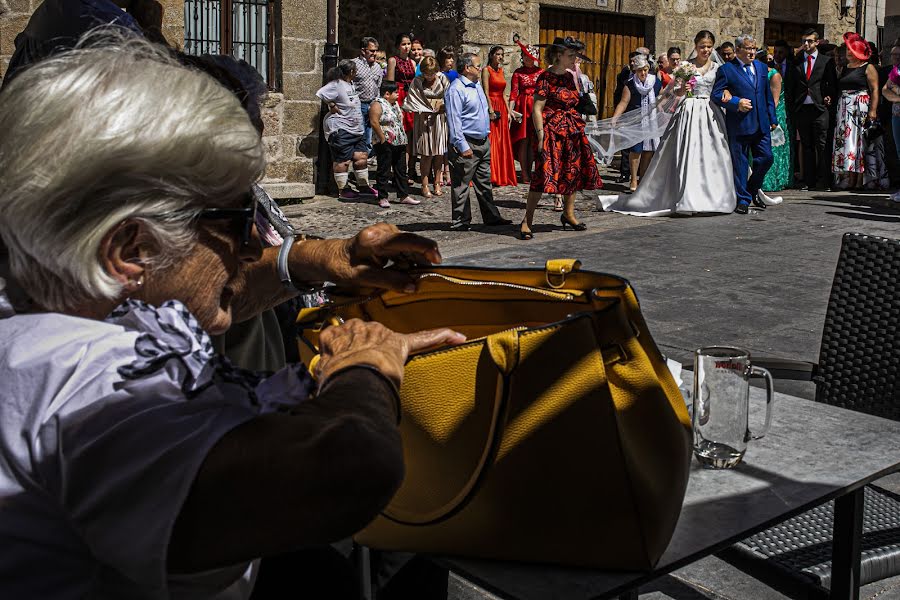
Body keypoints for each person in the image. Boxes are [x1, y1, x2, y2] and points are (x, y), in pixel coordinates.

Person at [0, 36, 468, 598]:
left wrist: (323, 258)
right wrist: (365, 366)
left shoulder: (65, 302)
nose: (254, 243)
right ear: (128, 249)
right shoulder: (86, 380)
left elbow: (202, 293)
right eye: (236, 220)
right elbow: (344, 472)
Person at [597, 31, 736, 216]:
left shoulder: (718, 68)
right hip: (689, 111)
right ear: (695, 46)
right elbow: (673, 93)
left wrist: (727, 93)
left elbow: (722, 89)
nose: (706, 50)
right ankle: (685, 196)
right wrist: (682, 89)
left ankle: (712, 196)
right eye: (702, 46)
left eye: (709, 46)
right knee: (687, 152)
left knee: (712, 154)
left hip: (710, 112)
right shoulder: (686, 66)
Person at [519, 36, 603, 240]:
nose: (575, 59)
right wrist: (540, 137)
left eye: (575, 55)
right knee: (542, 176)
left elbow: (572, 101)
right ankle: (527, 220)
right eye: (571, 55)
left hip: (571, 131)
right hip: (551, 132)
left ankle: (569, 213)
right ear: (558, 56)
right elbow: (537, 110)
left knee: (571, 173)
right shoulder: (545, 78)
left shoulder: (568, 76)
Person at [445, 52, 512, 231]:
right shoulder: (456, 89)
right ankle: (461, 220)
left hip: (482, 141)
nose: (480, 68)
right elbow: (454, 120)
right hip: (467, 142)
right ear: (467, 68)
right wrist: (461, 145)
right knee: (461, 184)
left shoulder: (476, 86)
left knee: (484, 183)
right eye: (477, 65)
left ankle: (491, 217)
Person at [712, 33, 777, 214]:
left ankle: (751, 190)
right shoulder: (726, 70)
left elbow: (767, 95)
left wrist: (772, 118)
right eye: (748, 48)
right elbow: (716, 95)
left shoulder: (762, 68)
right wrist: (735, 103)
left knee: (766, 158)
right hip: (740, 124)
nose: (751, 52)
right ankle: (743, 200)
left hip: (761, 123)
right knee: (740, 165)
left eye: (754, 49)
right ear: (738, 50)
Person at [316, 59, 377, 200]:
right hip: (341, 128)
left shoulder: (351, 83)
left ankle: (363, 186)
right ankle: (343, 190)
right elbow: (320, 93)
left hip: (357, 129)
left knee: (361, 157)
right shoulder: (336, 84)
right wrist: (331, 105)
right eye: (355, 70)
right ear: (351, 71)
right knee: (342, 160)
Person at [788, 28, 838, 191]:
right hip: (802, 108)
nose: (806, 44)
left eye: (809, 41)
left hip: (819, 108)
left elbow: (832, 83)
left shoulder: (825, 61)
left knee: (822, 145)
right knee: (806, 145)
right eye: (804, 41)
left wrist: (828, 97)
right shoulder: (796, 61)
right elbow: (791, 86)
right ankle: (809, 181)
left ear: (817, 42)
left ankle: (825, 182)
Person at [832, 33, 882, 191]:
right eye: (846, 49)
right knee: (846, 143)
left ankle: (861, 178)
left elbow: (874, 90)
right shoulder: (844, 68)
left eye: (850, 49)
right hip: (844, 109)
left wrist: (872, 111)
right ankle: (849, 177)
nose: (847, 52)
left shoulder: (868, 68)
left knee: (860, 142)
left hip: (859, 109)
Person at [611, 53, 662, 193]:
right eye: (640, 70)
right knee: (636, 150)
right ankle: (633, 179)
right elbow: (623, 102)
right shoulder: (630, 84)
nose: (643, 73)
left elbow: (661, 97)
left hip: (651, 120)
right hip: (635, 122)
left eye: (645, 69)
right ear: (635, 71)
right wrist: (615, 117)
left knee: (648, 150)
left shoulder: (655, 82)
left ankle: (643, 178)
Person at [404, 56, 450, 198]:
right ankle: (424, 184)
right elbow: (411, 100)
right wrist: (423, 108)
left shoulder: (442, 79)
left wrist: (443, 106)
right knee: (426, 154)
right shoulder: (417, 81)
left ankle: (437, 182)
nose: (429, 76)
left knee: (439, 153)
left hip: (439, 119)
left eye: (432, 73)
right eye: (426, 73)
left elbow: (449, 96)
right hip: (423, 120)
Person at [369, 82, 419, 207]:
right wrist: (382, 138)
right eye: (395, 92)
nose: (398, 95)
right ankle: (383, 197)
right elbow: (374, 122)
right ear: (387, 94)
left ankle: (403, 195)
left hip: (399, 141)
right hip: (385, 141)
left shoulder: (395, 104)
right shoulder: (377, 104)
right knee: (384, 169)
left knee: (401, 169)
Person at [481, 45, 518, 187]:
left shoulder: (501, 70)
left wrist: (509, 111)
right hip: (492, 105)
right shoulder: (486, 70)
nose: (500, 57)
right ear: (491, 55)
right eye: (497, 54)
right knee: (492, 139)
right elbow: (485, 91)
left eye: (502, 54)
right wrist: (490, 110)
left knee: (502, 140)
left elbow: (503, 93)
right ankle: (491, 174)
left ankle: (501, 174)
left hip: (501, 106)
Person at [510, 38, 544, 184]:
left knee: (533, 141)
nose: (528, 60)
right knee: (523, 140)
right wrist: (510, 112)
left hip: (536, 107)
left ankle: (532, 171)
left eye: (530, 58)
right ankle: (524, 173)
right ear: (522, 57)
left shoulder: (541, 72)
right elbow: (513, 93)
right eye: (525, 57)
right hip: (522, 107)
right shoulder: (517, 73)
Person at [761, 48, 792, 194]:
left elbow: (775, 100)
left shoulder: (774, 75)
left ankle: (773, 180)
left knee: (774, 147)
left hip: (774, 114)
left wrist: (767, 116)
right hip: (761, 113)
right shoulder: (758, 74)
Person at [386, 33, 417, 174]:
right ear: (398, 46)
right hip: (399, 96)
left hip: (410, 97)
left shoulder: (413, 62)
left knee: (410, 134)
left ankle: (410, 168)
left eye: (408, 44)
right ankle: (398, 169)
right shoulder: (393, 60)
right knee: (399, 132)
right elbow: (390, 83)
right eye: (403, 44)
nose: (407, 47)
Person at [352, 36, 384, 151]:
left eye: (376, 51)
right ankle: (361, 156)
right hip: (358, 104)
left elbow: (378, 86)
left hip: (373, 103)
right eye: (371, 51)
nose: (375, 53)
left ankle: (367, 156)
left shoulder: (377, 67)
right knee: (361, 132)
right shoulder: (354, 64)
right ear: (363, 50)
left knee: (371, 132)